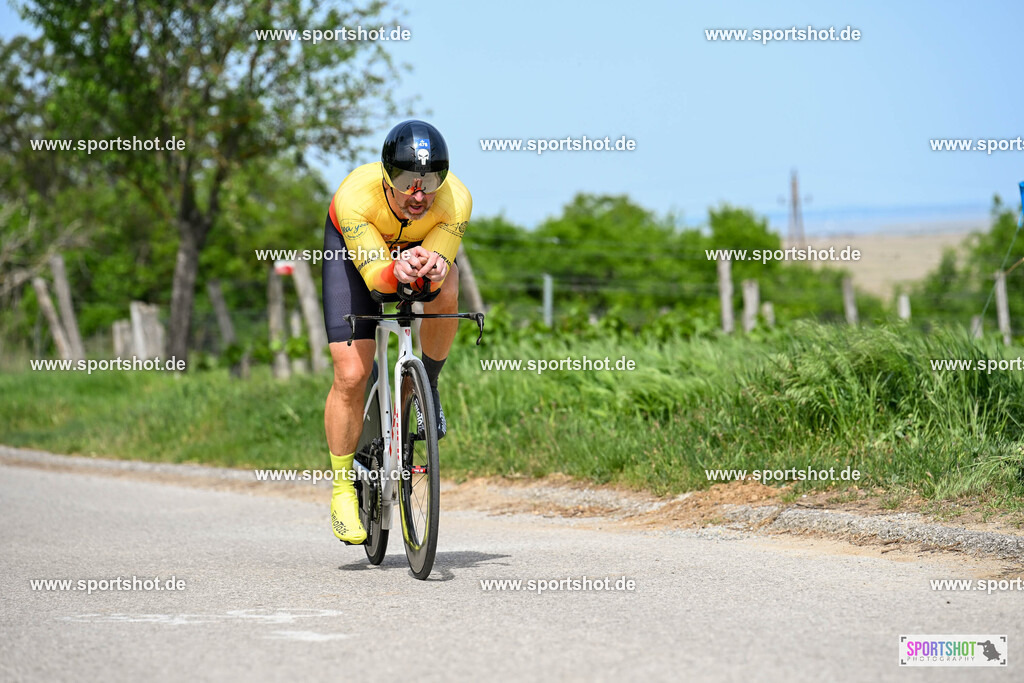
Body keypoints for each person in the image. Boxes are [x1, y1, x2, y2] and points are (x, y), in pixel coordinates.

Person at [320, 120, 471, 544]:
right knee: (351, 373)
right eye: (406, 182)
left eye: (430, 182)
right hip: (357, 258)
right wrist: (394, 269)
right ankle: (341, 490)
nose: (419, 195)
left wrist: (435, 267)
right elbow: (375, 279)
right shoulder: (356, 196)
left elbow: (437, 271)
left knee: (451, 279)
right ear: (387, 178)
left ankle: (428, 387)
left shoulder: (456, 201)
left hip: (411, 251)